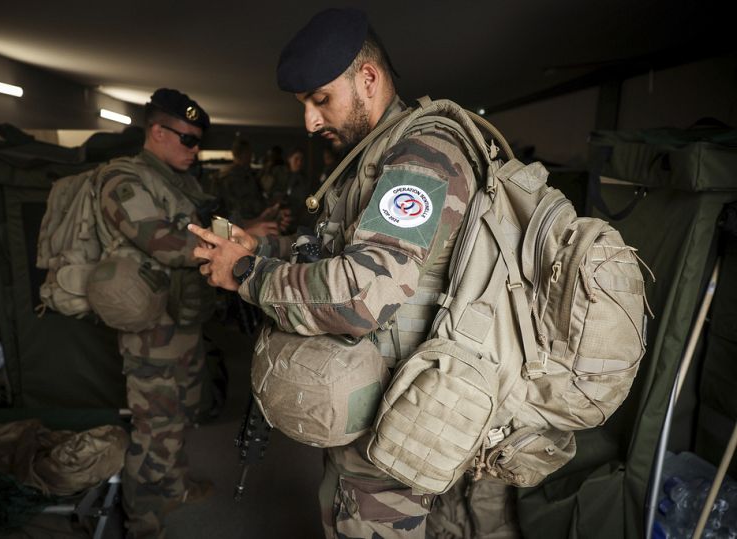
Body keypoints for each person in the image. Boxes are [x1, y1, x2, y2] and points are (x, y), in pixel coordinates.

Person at [188, 8, 517, 539]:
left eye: (321, 100)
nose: (311, 122)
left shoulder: (421, 158)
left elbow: (360, 296)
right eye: (305, 106)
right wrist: (265, 245)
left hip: (399, 412)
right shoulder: (377, 157)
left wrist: (247, 272)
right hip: (387, 401)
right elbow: (338, 252)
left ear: (367, 78)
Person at [89, 88, 217, 539]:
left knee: (180, 415)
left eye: (198, 139)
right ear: (158, 131)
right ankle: (142, 521)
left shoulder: (179, 182)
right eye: (187, 138)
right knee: (155, 425)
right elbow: (161, 240)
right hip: (150, 327)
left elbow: (196, 227)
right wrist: (226, 248)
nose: (194, 149)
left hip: (181, 318)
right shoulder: (125, 178)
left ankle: (176, 488)